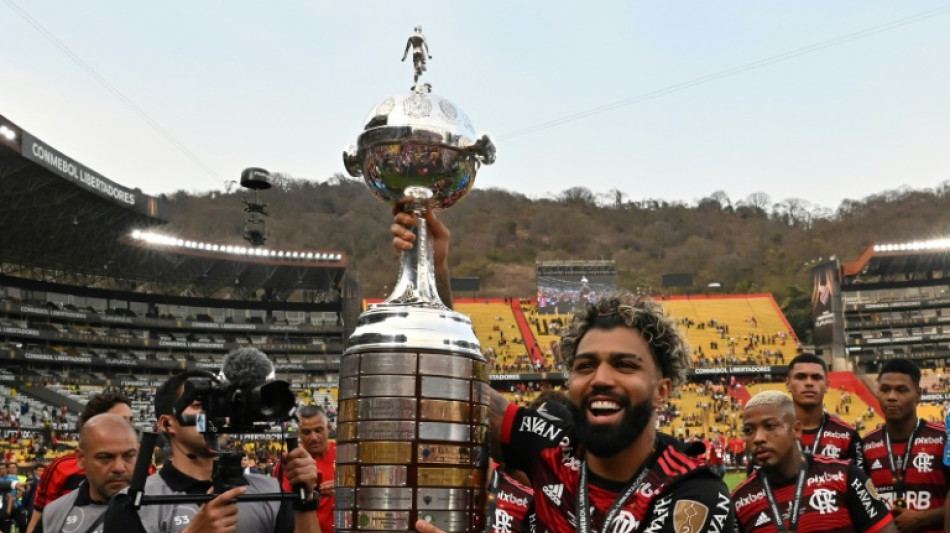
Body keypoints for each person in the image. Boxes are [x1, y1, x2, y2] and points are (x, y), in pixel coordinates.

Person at [396, 206, 733, 533]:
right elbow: (459, 386)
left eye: (624, 365)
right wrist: (432, 266)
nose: (601, 378)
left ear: (662, 390)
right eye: (585, 366)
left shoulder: (694, 491)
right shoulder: (551, 446)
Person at [103, 370, 320, 533]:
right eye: (200, 404)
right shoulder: (131, 504)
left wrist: (306, 501)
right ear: (167, 424)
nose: (215, 414)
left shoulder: (272, 492)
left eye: (220, 405)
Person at [732, 390, 895, 533]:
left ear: (796, 430)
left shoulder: (846, 477)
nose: (758, 438)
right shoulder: (739, 501)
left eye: (770, 426)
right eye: (748, 431)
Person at [861, 358, 949, 533]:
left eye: (902, 390)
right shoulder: (866, 444)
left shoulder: (943, 439)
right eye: (885, 390)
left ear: (918, 394)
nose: (891, 397)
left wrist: (922, 518)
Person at [26, 391, 134, 533]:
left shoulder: (147, 472)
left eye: (130, 421)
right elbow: (41, 521)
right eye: (119, 420)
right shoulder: (60, 469)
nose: (127, 427)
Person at [784, 353, 863, 466]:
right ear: (788, 384)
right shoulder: (771, 433)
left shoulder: (848, 435)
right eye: (801, 377)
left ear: (827, 385)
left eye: (816, 377)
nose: (809, 383)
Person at [272, 405, 335, 533]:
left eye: (318, 430)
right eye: (306, 432)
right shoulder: (290, 463)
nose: (313, 437)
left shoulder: (347, 454)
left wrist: (346, 490)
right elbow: (284, 509)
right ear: (298, 433)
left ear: (329, 427)